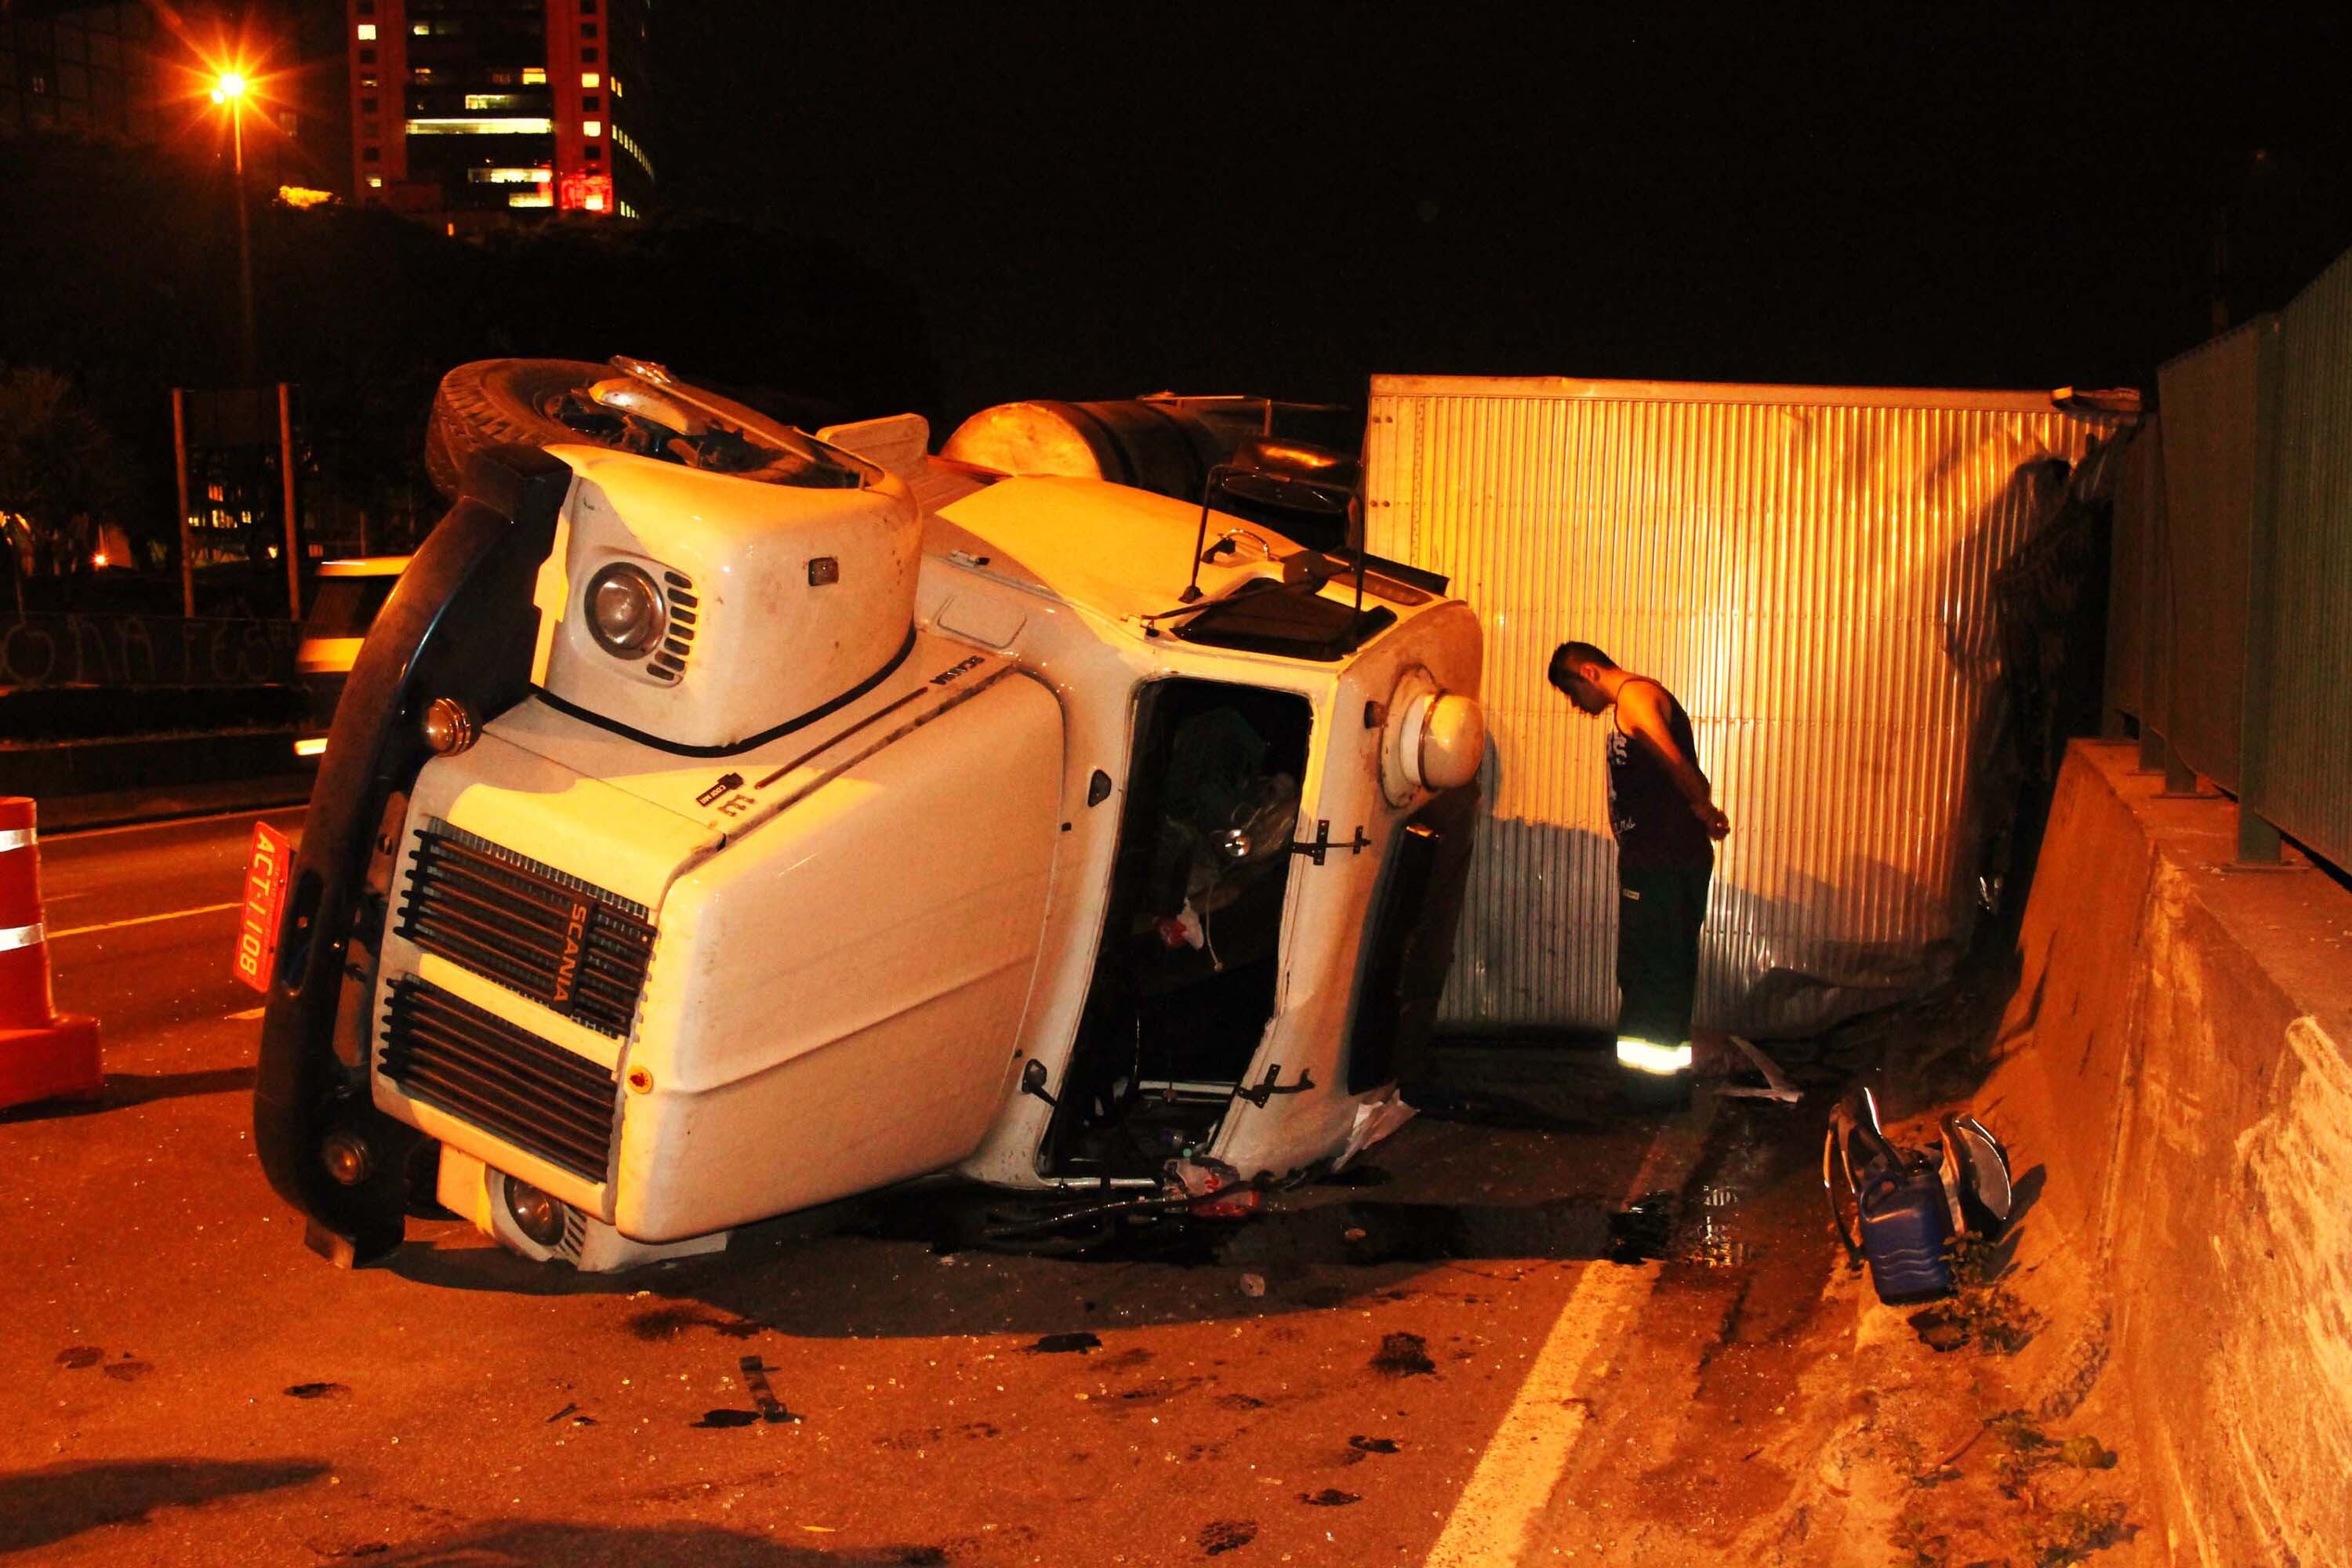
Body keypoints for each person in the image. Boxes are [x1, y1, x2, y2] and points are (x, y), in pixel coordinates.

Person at [1547, 641, 1730, 1097]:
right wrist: (1700, 809)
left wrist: (1701, 803)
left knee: (1651, 970)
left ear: (1589, 673)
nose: (1577, 705)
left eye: (1572, 692)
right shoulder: (1632, 701)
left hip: (1661, 863)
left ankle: (1649, 1090)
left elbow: (1675, 763)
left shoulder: (1634, 698)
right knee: (1659, 968)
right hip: (1659, 860)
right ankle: (1658, 1086)